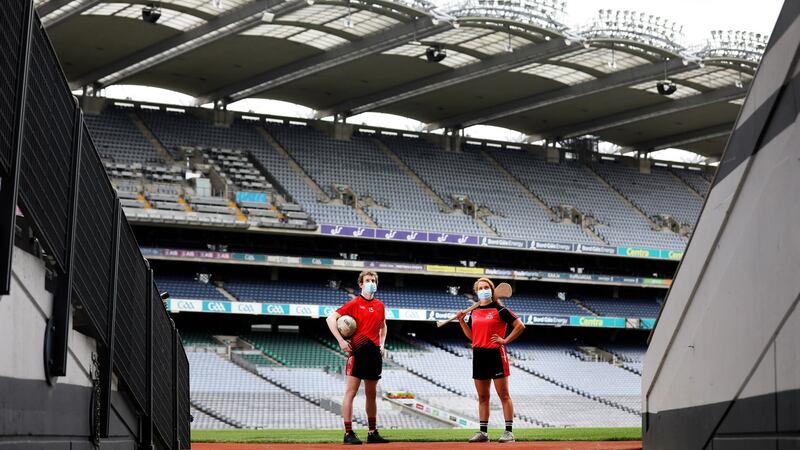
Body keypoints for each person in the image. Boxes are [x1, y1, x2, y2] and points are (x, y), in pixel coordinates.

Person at [456, 277, 525, 443]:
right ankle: (483, 433)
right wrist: (461, 321)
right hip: (479, 355)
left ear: (492, 290)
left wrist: (505, 340)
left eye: (486, 287)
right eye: (480, 288)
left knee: (504, 395)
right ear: (476, 292)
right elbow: (473, 336)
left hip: (496, 354)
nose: (483, 290)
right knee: (482, 397)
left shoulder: (501, 310)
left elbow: (520, 325)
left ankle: (509, 432)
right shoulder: (473, 312)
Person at [326, 270, 389, 445]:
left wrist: (382, 344)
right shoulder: (354, 303)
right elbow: (330, 319)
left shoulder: (380, 305)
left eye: (374, 280)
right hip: (358, 352)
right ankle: (348, 433)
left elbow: (383, 326)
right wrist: (341, 341)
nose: (371, 283)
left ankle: (372, 432)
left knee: (371, 394)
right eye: (368, 280)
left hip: (374, 353)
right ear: (360, 284)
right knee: (351, 392)